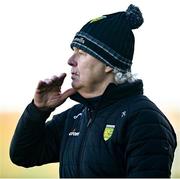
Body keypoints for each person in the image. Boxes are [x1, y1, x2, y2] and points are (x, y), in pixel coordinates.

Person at [10, 4, 177, 178]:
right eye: (74, 51)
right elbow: (24, 155)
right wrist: (38, 110)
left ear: (108, 64)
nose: (70, 60)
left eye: (82, 52)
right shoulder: (76, 116)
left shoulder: (144, 119)